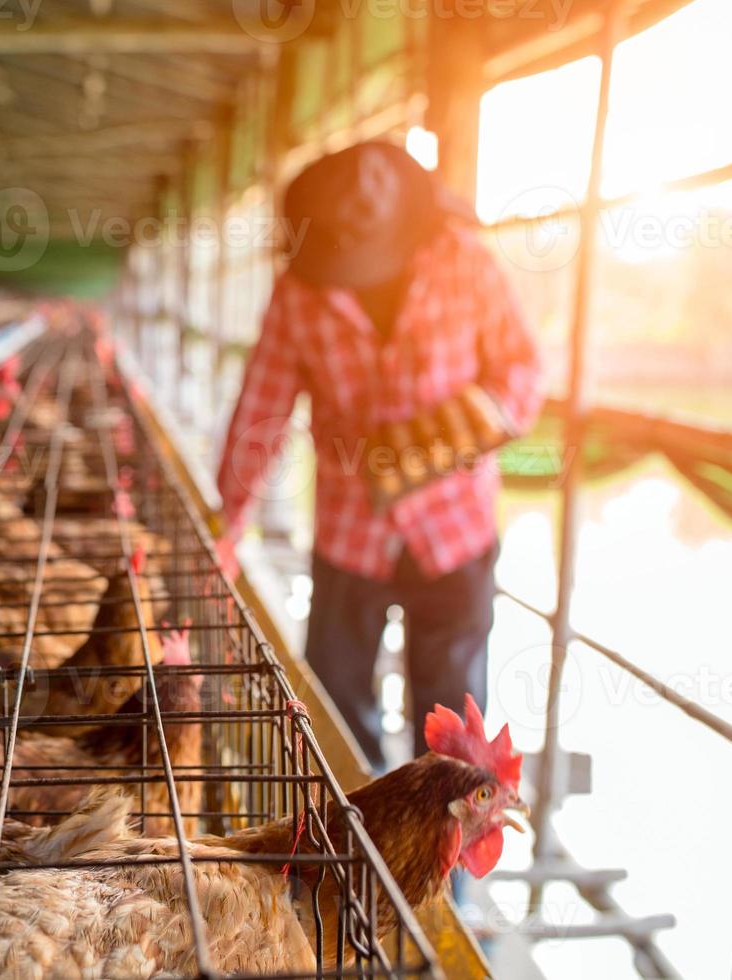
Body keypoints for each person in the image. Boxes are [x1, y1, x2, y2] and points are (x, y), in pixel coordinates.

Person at [216, 141, 543, 772]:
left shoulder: (463, 263)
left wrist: (470, 423)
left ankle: (447, 869)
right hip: (350, 532)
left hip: (455, 528)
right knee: (335, 710)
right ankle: (357, 855)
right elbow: (262, 411)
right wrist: (228, 525)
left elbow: (523, 368)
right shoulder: (300, 291)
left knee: (455, 728)